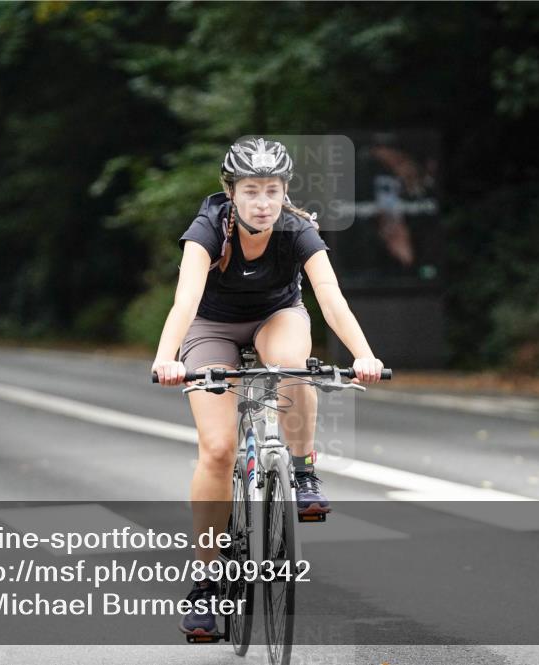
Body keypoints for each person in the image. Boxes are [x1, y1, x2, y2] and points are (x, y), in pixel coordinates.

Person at [150, 137, 384, 637]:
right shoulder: (208, 230)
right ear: (231, 192)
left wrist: (363, 354)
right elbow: (186, 299)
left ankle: (302, 471)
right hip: (211, 326)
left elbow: (330, 297)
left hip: (275, 316)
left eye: (272, 190)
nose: (262, 202)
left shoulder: (298, 230)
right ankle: (208, 582)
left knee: (293, 364)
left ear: (284, 192)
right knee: (216, 450)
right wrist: (166, 357)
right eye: (251, 190)